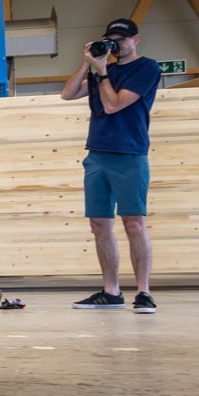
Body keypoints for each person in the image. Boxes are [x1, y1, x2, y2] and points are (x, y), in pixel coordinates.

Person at [60, 18, 160, 314]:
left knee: (134, 223)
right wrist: (88, 62)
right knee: (99, 224)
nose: (116, 45)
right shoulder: (105, 69)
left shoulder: (146, 68)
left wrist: (102, 71)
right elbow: (67, 93)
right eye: (111, 40)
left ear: (135, 40)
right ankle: (111, 291)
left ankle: (143, 292)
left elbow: (114, 104)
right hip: (97, 154)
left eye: (122, 39)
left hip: (129, 154)